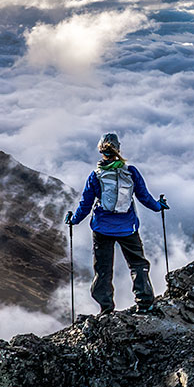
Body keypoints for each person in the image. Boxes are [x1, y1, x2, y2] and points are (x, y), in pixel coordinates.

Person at [65, 133, 167, 313]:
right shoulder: (131, 172)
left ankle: (106, 309)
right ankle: (144, 303)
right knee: (138, 265)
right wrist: (158, 206)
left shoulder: (95, 176)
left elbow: (85, 205)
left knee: (103, 269)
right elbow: (144, 197)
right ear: (118, 149)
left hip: (102, 229)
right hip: (128, 228)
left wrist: (74, 220)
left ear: (100, 151)